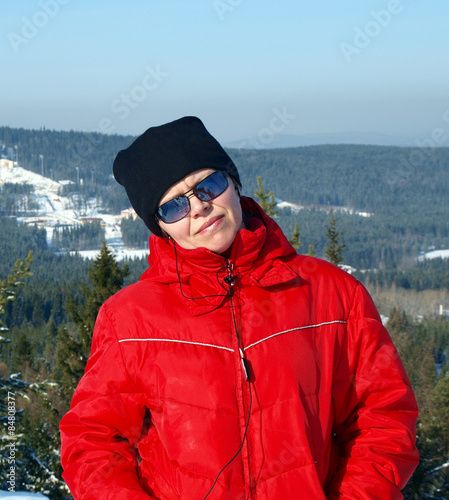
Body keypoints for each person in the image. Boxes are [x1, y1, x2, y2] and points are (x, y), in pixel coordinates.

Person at [60, 116, 419, 499]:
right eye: (174, 206)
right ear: (160, 226)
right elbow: (92, 440)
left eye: (209, 185)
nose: (199, 207)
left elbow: (384, 418)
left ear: (234, 182)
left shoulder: (331, 294)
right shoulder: (130, 319)